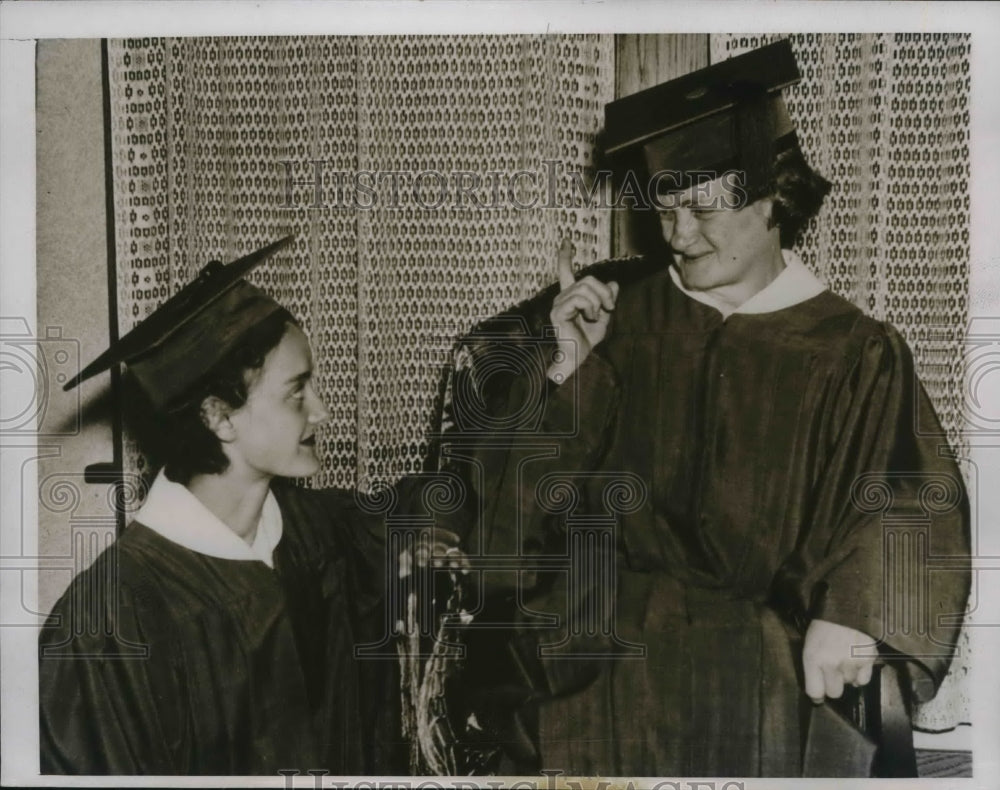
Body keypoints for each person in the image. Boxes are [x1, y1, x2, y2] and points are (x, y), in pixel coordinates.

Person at [446, 41, 971, 777]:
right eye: (665, 207)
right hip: (595, 652)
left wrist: (853, 612)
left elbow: (906, 497)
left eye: (699, 208)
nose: (677, 235)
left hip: (762, 658)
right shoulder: (616, 321)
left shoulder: (853, 350)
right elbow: (507, 529)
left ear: (772, 198)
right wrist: (569, 373)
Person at [39, 237, 429, 775]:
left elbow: (450, 503)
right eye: (297, 391)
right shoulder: (110, 623)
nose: (322, 412)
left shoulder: (317, 532)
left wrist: (561, 371)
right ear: (219, 417)